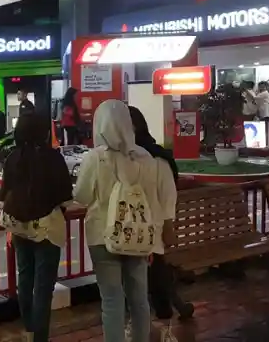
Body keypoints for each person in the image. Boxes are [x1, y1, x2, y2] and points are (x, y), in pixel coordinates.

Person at [74, 100, 175, 342]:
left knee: (112, 300)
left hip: (102, 236)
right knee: (139, 298)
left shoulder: (95, 158)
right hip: (137, 234)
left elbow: (82, 196)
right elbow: (151, 199)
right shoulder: (146, 157)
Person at [0, 113, 73, 342]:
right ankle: (39, 337)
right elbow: (66, 198)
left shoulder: (13, 158)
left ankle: (30, 330)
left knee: (25, 280)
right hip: (47, 230)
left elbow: (4, 195)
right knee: (43, 288)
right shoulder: (53, 158)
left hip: (20, 228)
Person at [128, 107, 193, 321]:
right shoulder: (119, 157)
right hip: (127, 230)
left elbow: (167, 194)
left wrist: (167, 225)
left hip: (151, 230)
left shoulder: (157, 158)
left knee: (156, 280)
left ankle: (164, 322)